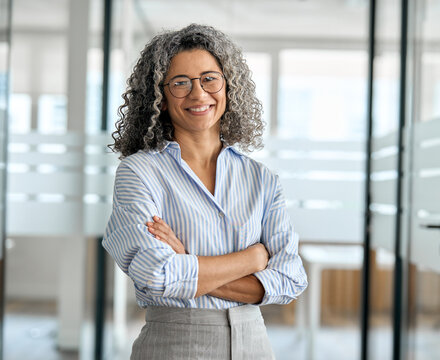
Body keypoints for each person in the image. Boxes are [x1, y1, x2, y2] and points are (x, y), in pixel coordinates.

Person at [103, 23, 308, 360]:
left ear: (228, 86)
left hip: (254, 343)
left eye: (209, 79)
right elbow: (157, 276)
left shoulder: (261, 179)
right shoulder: (138, 173)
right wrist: (252, 259)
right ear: (160, 98)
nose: (198, 94)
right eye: (180, 83)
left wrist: (185, 261)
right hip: (173, 342)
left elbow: (289, 280)